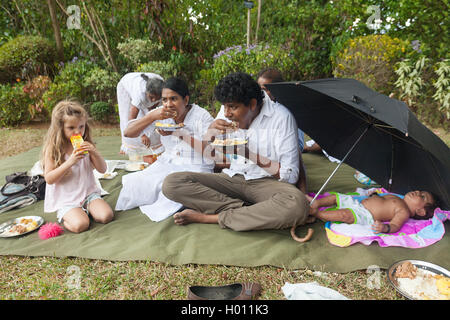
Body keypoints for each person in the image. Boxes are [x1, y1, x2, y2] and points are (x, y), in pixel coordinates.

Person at [162, 72, 310, 235]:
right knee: (172, 183)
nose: (226, 113)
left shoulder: (281, 117)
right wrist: (211, 133)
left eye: (232, 107)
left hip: (266, 183)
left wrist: (248, 154)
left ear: (252, 104)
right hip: (233, 178)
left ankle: (212, 217)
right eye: (224, 106)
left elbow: (290, 176)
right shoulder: (226, 112)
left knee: (296, 204)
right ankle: (249, 211)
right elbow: (210, 153)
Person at [115, 77, 215, 222]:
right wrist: (150, 118)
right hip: (168, 163)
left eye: (174, 99)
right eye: (164, 100)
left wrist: (179, 133)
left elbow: (210, 153)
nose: (168, 104)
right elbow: (128, 132)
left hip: (196, 166)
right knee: (135, 184)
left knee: (173, 188)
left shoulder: (202, 116)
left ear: (186, 100)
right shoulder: (160, 113)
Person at [42, 100, 114, 233]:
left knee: (106, 216)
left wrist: (94, 152)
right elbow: (49, 179)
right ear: (60, 128)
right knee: (81, 225)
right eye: (71, 128)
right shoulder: (54, 149)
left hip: (88, 193)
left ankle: (86, 210)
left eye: (81, 126)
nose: (78, 131)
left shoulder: (86, 143)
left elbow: (103, 169)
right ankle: (70, 216)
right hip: (67, 199)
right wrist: (70, 162)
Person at [307, 190, 437, 234]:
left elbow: (396, 226)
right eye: (421, 191)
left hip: (365, 215)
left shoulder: (404, 211)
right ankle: (317, 202)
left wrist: (384, 227)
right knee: (337, 197)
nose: (418, 192)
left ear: (420, 212)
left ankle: (316, 213)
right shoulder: (398, 198)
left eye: (422, 197)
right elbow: (382, 200)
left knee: (344, 215)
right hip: (358, 204)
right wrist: (375, 195)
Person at [256, 68, 305, 152]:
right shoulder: (257, 106)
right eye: (259, 89)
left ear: (276, 88)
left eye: (265, 89)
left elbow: (299, 145)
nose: (261, 93)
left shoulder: (288, 109)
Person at [117, 72, 164, 154]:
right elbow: (131, 122)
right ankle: (130, 147)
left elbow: (155, 110)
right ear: (146, 92)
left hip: (152, 85)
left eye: (157, 98)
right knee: (133, 119)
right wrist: (142, 135)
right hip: (126, 87)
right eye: (151, 97)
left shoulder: (164, 91)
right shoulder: (139, 94)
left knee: (153, 118)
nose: (153, 100)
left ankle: (156, 148)